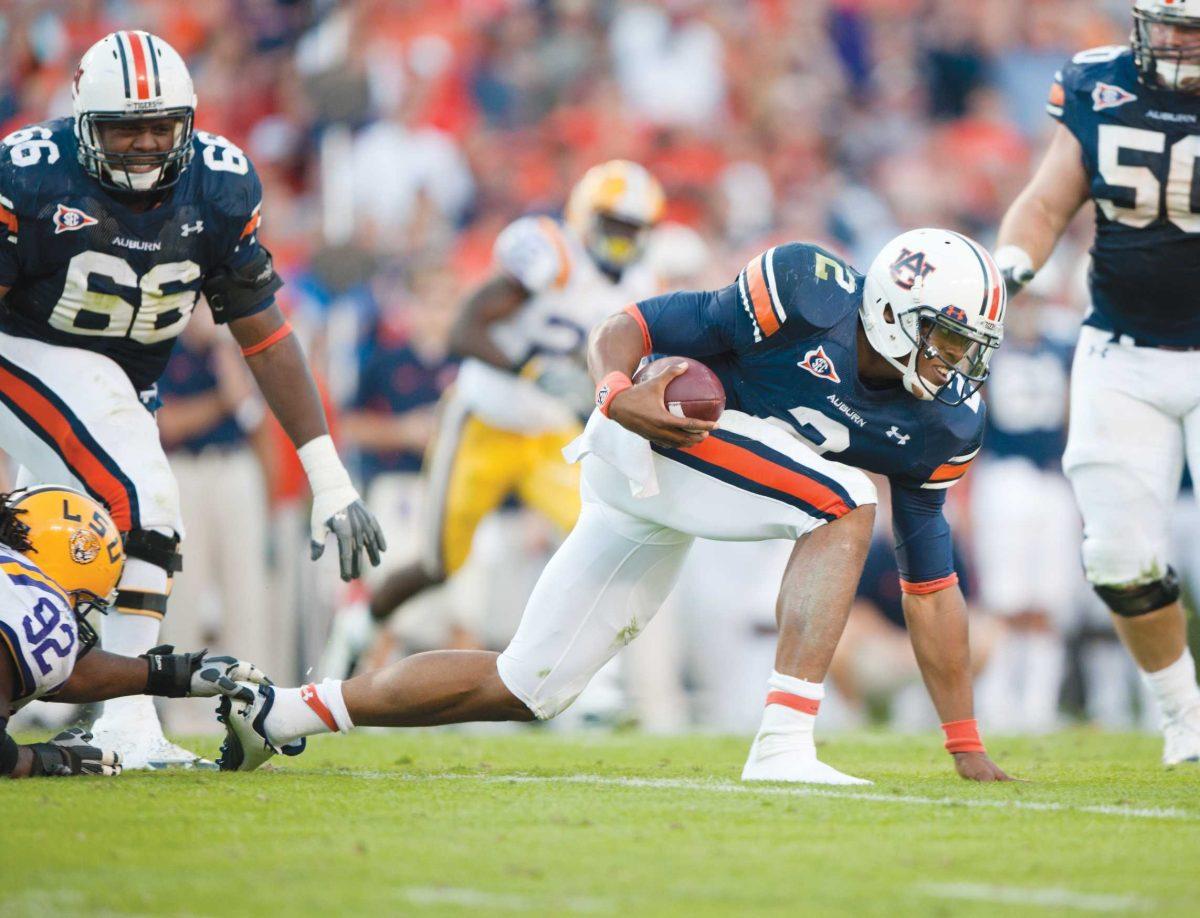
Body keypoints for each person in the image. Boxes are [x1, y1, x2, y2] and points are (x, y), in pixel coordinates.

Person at [221, 228, 1013, 785]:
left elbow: (931, 584)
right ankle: (783, 743)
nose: (957, 366)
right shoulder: (806, 293)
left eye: (968, 347)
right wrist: (613, 392)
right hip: (654, 436)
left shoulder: (938, 421)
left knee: (529, 685)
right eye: (947, 340)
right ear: (892, 312)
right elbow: (634, 324)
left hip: (680, 491)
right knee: (842, 500)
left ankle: (285, 713)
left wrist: (964, 740)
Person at [0, 31, 385, 769]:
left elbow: (265, 337)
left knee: (57, 548)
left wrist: (327, 475)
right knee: (147, 503)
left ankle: (44, 709)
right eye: (124, 128)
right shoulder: (29, 175)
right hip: (19, 350)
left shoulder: (220, 181)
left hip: (118, 386)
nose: (145, 144)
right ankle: (125, 720)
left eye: (160, 126)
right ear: (84, 126)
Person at [321, 160, 663, 676]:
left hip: (548, 432)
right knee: (439, 564)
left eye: (632, 230)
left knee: (602, 542)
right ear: (585, 217)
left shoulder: (638, 281)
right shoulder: (553, 255)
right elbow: (463, 330)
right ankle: (360, 627)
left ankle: (600, 687)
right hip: (483, 420)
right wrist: (532, 371)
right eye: (613, 225)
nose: (620, 240)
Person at [995, 0, 1200, 764]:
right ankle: (1183, 715)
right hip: (1121, 349)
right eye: (1166, 26)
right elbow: (1049, 199)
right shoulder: (1100, 83)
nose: (1176, 45)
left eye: (1193, 30)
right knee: (1117, 554)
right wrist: (1010, 269)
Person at [0, 486, 268, 778]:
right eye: (80, 603)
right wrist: (43, 759)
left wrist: (173, 674)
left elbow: (68, 669)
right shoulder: (22, 601)